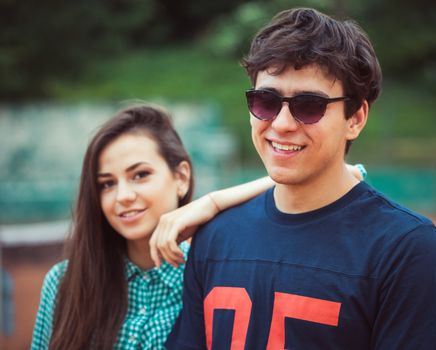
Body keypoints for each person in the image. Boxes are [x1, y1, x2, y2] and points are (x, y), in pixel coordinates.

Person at [166, 8, 436, 349]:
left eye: (309, 105)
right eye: (266, 100)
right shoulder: (214, 236)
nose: (282, 123)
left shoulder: (404, 248)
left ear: (356, 118)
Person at [29, 103, 367, 349]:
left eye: (140, 175)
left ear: (181, 178)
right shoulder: (65, 282)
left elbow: (351, 173)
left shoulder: (213, 279)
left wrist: (213, 201)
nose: (123, 196)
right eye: (106, 184)